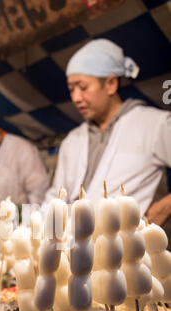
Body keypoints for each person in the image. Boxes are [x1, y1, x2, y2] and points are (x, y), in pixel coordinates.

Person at [44, 39, 171, 224]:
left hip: (131, 247)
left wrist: (165, 207)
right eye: (71, 89)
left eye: (83, 87)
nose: (76, 98)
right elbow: (56, 196)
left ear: (111, 83)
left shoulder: (153, 124)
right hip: (76, 246)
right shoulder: (72, 140)